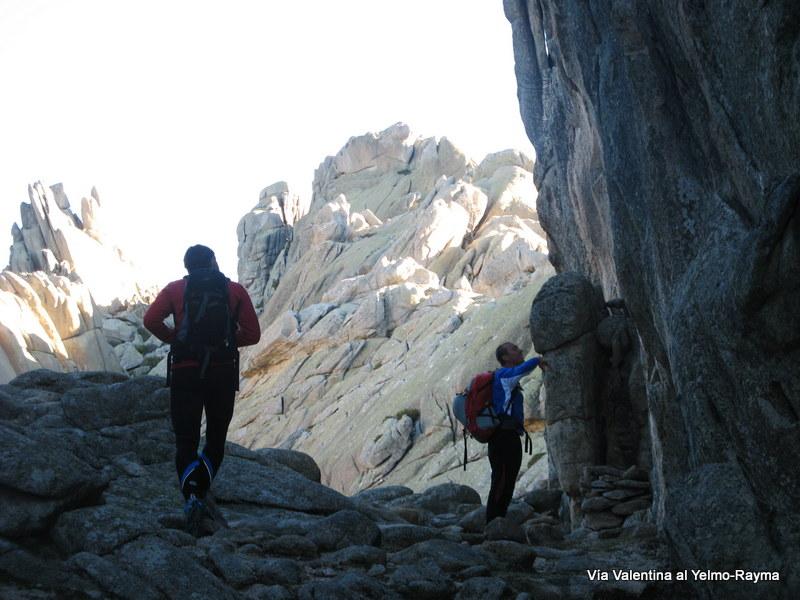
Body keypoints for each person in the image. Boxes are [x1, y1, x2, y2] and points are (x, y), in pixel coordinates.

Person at [144, 244, 260, 532]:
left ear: (187, 267)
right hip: (222, 373)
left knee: (186, 440)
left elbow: (150, 320)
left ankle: (191, 497)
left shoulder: (174, 290)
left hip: (185, 372)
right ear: (212, 262)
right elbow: (253, 334)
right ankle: (201, 487)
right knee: (216, 439)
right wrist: (227, 345)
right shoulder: (233, 290)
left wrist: (175, 339)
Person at [486, 342, 545, 524]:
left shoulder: (506, 378)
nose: (519, 350)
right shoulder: (504, 375)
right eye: (513, 349)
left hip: (509, 435)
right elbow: (523, 369)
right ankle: (493, 523)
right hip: (502, 436)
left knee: (507, 479)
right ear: (505, 358)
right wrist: (538, 360)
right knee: (502, 479)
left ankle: (498, 520)